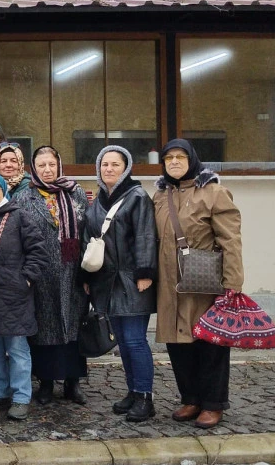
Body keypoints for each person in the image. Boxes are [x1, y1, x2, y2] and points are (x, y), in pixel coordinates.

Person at [153, 139, 243, 429]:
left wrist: (233, 283)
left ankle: (213, 403)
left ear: (192, 159)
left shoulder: (214, 193)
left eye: (180, 157)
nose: (175, 162)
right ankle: (190, 399)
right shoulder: (159, 196)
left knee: (210, 343)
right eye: (169, 159)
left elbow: (230, 240)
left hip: (205, 282)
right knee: (178, 344)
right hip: (170, 284)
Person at [81, 145, 158, 423]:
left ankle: (145, 397)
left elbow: (146, 236)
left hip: (131, 278)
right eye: (105, 165)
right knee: (123, 342)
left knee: (136, 340)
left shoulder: (137, 196)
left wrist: (145, 273)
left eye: (115, 164)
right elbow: (89, 240)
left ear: (125, 168)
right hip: (106, 281)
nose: (109, 169)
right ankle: (132, 391)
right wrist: (88, 277)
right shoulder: (98, 200)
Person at [14, 145, 90, 405]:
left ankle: (73, 382)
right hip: (42, 274)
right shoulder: (25, 197)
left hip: (72, 272)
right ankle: (45, 383)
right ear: (34, 168)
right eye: (42, 165)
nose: (47, 170)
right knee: (44, 329)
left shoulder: (76, 192)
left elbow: (87, 231)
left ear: (59, 165)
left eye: (51, 164)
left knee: (73, 327)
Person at [0, 173, 49, 420]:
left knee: (17, 348)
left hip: (15, 294)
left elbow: (38, 251)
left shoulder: (19, 216)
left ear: (4, 191)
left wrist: (25, 278)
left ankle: (21, 397)